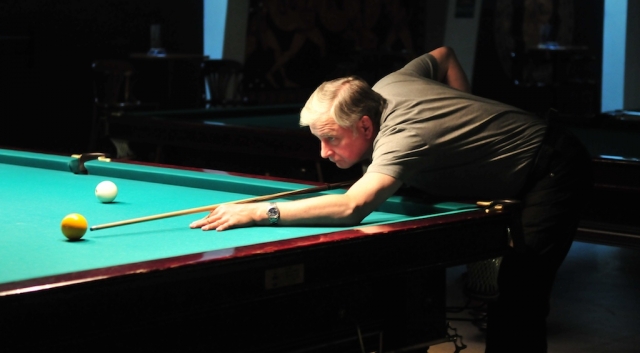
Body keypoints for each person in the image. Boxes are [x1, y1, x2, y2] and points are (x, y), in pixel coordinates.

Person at [190, 46, 592, 353]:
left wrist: (261, 211)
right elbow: (445, 55)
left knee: (520, 294)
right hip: (522, 159)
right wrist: (460, 117)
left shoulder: (402, 138)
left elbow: (352, 207)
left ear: (365, 126)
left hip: (551, 166)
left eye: (331, 139)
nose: (324, 152)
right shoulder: (387, 85)